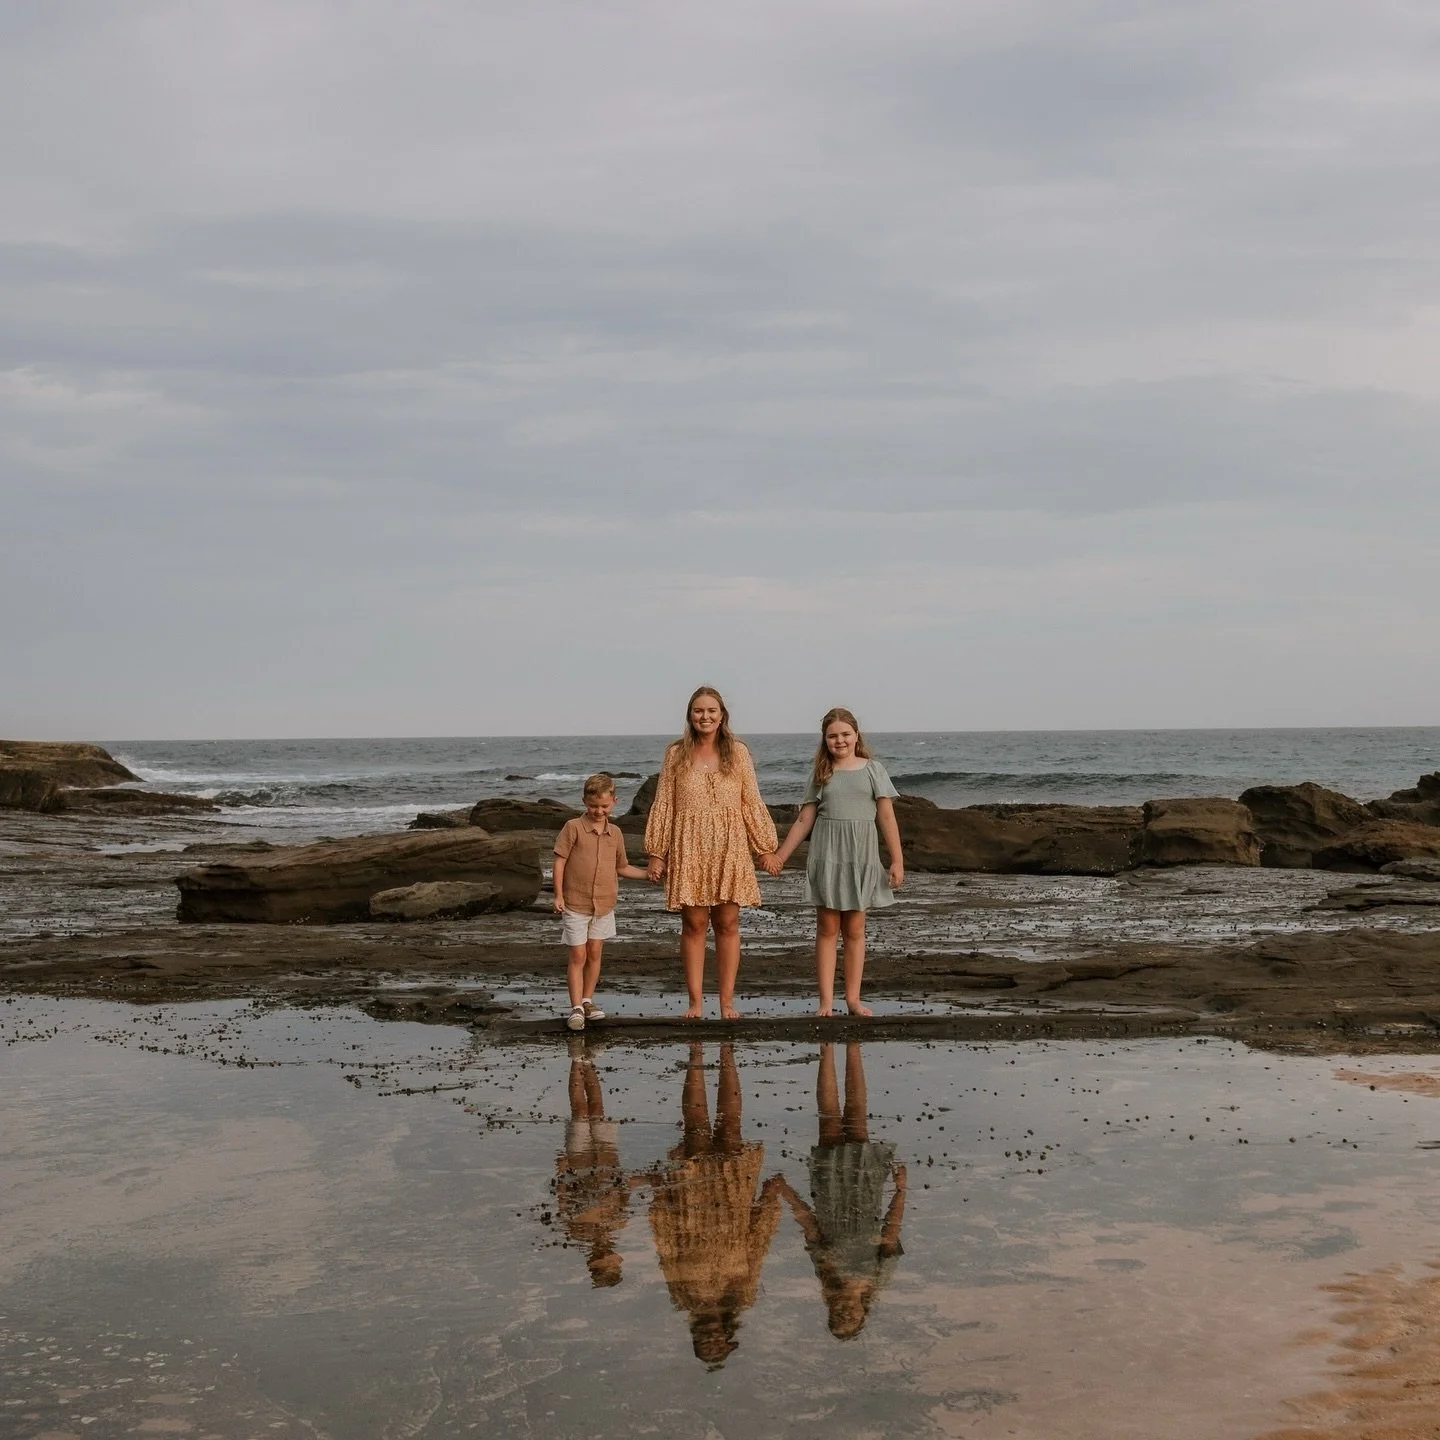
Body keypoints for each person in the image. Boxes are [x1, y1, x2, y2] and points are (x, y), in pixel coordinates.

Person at [644, 687, 779, 1020]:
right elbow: (664, 802)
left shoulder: (738, 752)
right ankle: (695, 1002)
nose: (704, 716)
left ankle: (727, 1002)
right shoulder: (675, 753)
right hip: (689, 843)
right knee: (693, 924)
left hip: (729, 845)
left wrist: (764, 847)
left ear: (722, 716)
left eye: (711, 711)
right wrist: (657, 851)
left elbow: (750, 800)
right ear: (690, 715)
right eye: (698, 711)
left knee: (728, 923)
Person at [644, 1042, 782, 1367]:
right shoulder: (742, 1295)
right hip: (734, 1202)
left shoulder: (682, 1297)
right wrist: (768, 1201)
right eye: (716, 1345)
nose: (710, 1340)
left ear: (694, 1337)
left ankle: (695, 1052)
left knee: (695, 1127)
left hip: (691, 1202)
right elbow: (756, 1248)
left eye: (703, 1345)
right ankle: (727, 1051)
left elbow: (667, 1248)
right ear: (727, 1337)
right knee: (731, 1125)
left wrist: (660, 1197)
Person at [764, 707, 904, 1016]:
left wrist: (897, 860)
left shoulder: (873, 770)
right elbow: (804, 820)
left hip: (860, 857)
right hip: (828, 856)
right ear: (824, 740)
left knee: (855, 929)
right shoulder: (822, 773)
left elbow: (886, 817)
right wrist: (780, 856)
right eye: (832, 736)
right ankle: (826, 1002)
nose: (839, 740)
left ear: (856, 735)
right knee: (827, 928)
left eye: (845, 734)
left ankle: (853, 999)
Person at [773, 1042, 907, 1340]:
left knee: (829, 1121)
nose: (844, 1313)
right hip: (865, 1194)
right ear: (863, 1312)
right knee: (858, 1118)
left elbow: (810, 1227)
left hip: (829, 1195)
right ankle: (854, 1046)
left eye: (836, 1317)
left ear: (830, 1309)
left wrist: (786, 1192)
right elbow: (891, 1233)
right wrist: (900, 1190)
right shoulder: (876, 1280)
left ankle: (827, 1047)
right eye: (851, 1319)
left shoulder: (826, 1276)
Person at [553, 772, 651, 1032]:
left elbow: (622, 867)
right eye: (593, 806)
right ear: (584, 802)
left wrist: (648, 875)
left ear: (614, 801)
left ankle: (588, 1001)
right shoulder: (573, 827)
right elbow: (559, 861)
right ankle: (576, 1007)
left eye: (604, 806)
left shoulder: (615, 833)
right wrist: (558, 894)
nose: (599, 811)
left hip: (604, 905)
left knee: (595, 952)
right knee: (578, 954)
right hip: (575, 902)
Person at [551, 1035, 637, 1288]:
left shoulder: (578, 1232)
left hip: (579, 1164)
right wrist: (644, 1179)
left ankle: (577, 1060)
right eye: (610, 1257)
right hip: (608, 1161)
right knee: (597, 1110)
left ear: (592, 1259)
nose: (604, 1250)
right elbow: (624, 1189)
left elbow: (563, 1199)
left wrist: (562, 1171)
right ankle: (588, 1062)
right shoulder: (619, 1222)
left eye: (600, 1257)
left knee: (580, 1111)